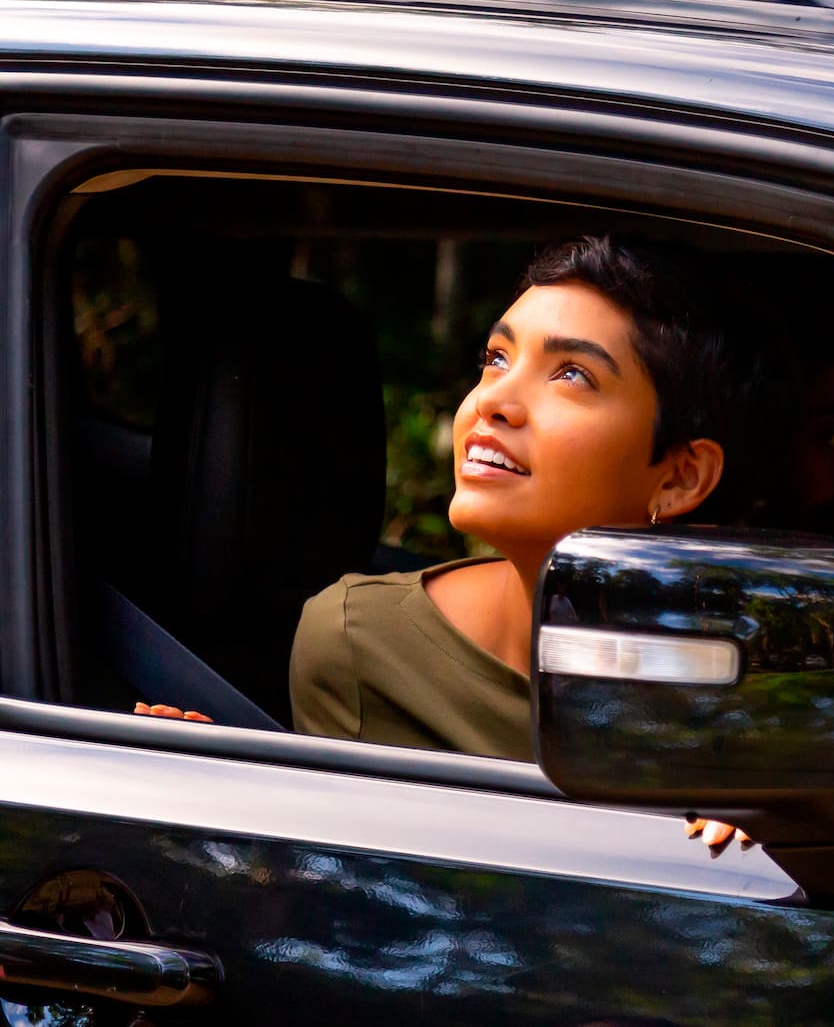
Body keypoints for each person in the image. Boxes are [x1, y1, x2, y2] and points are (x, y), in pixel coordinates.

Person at [144, 234, 776, 845]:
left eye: (572, 374)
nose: (493, 401)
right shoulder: (360, 643)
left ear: (680, 476)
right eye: (496, 359)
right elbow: (343, 890)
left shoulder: (764, 700)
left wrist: (778, 835)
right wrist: (222, 815)